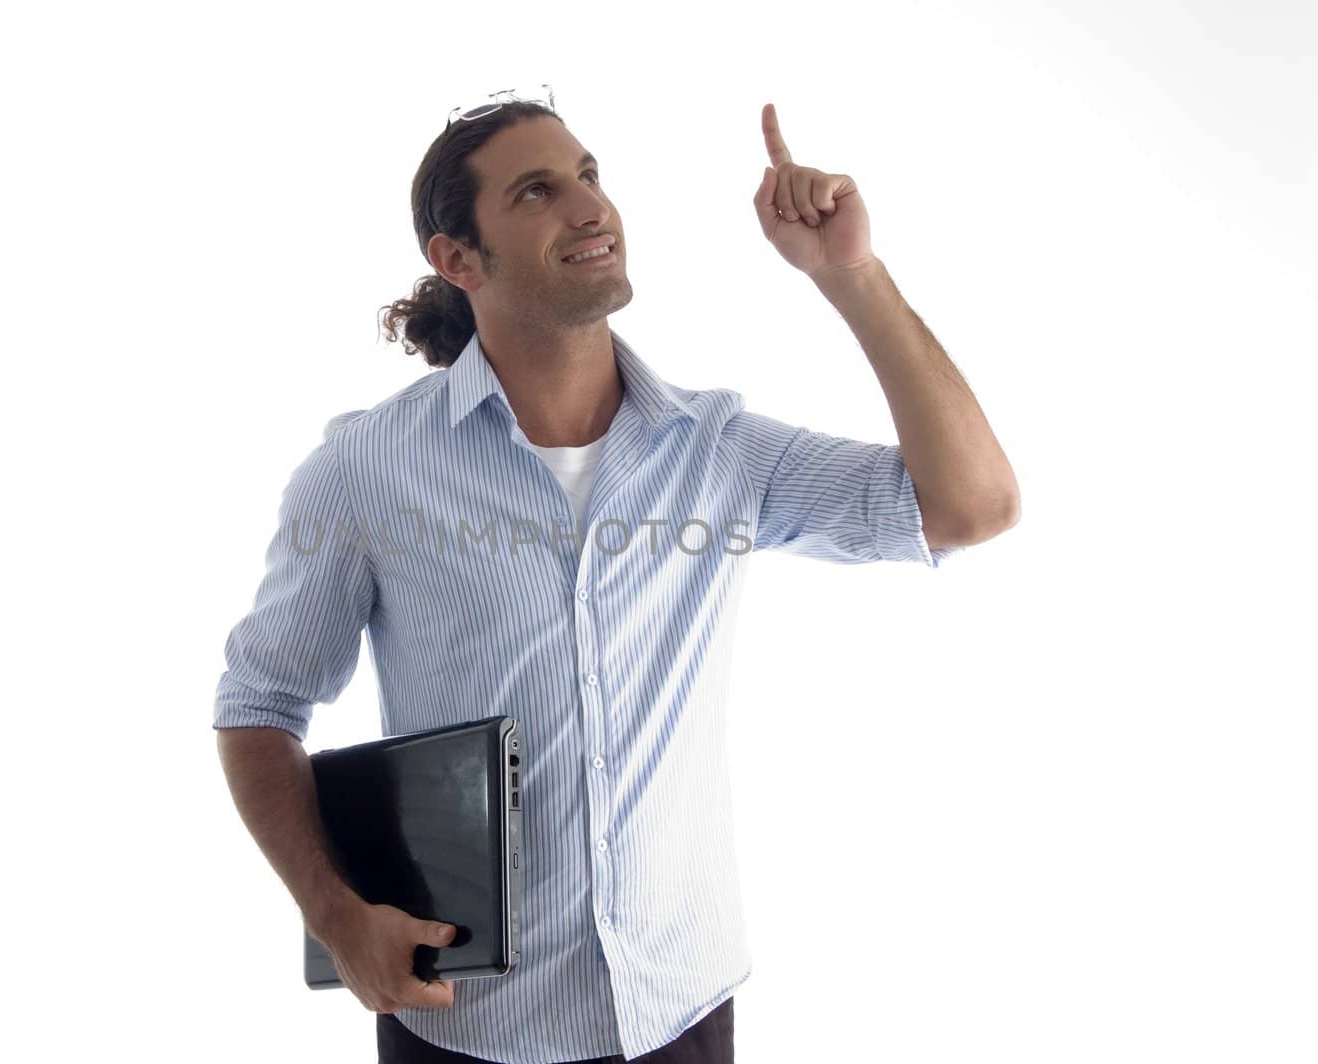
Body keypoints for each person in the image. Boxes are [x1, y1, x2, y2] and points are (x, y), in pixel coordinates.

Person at [214, 90, 1019, 1064]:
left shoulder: (715, 450)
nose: (589, 206)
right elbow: (260, 704)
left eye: (589, 176)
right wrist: (338, 918)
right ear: (458, 258)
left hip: (676, 1013)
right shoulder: (364, 471)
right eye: (537, 191)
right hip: (463, 1026)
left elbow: (971, 505)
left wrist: (850, 275)